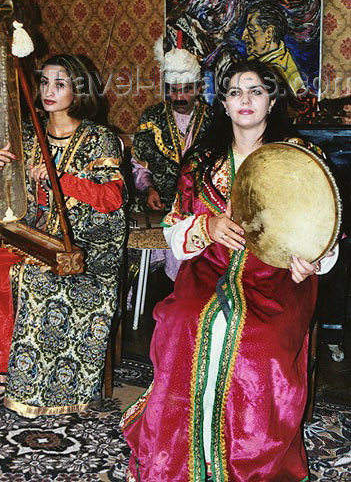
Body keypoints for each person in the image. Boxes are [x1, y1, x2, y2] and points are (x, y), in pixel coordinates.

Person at [121, 60, 338, 481]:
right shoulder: (201, 161)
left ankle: (252, 459)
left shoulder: (300, 156)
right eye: (235, 91)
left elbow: (327, 228)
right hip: (209, 267)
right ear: (222, 102)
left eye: (255, 91)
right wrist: (208, 225)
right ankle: (182, 451)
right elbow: (173, 228)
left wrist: (311, 260)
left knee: (260, 338)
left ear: (272, 101)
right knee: (184, 322)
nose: (245, 99)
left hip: (279, 275)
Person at [0, 54, 126, 417]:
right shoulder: (26, 133)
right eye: (45, 82)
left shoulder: (99, 138)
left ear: (79, 89)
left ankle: (36, 389)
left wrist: (61, 179)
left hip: (84, 250)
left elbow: (111, 198)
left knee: (34, 280)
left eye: (60, 84)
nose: (48, 91)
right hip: (33, 240)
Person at [131, 46, 214, 281]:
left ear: (198, 88)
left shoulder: (215, 120)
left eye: (186, 90)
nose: (178, 97)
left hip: (200, 210)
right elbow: (140, 164)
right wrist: (148, 189)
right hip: (157, 207)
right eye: (173, 90)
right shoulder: (152, 117)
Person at [242, 0, 305, 95]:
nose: (244, 36)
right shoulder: (256, 60)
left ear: (269, 33)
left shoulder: (282, 74)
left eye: (251, 30)